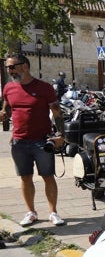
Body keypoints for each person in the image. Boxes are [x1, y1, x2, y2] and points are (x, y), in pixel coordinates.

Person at [0, 54, 66, 227]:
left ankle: (53, 213)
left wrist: (61, 135)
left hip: (42, 141)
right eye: (7, 67)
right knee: (25, 177)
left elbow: (57, 113)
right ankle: (31, 213)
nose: (9, 70)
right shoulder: (8, 88)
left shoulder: (44, 88)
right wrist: (2, 116)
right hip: (19, 142)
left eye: (12, 67)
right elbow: (6, 112)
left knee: (48, 176)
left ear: (25, 66)